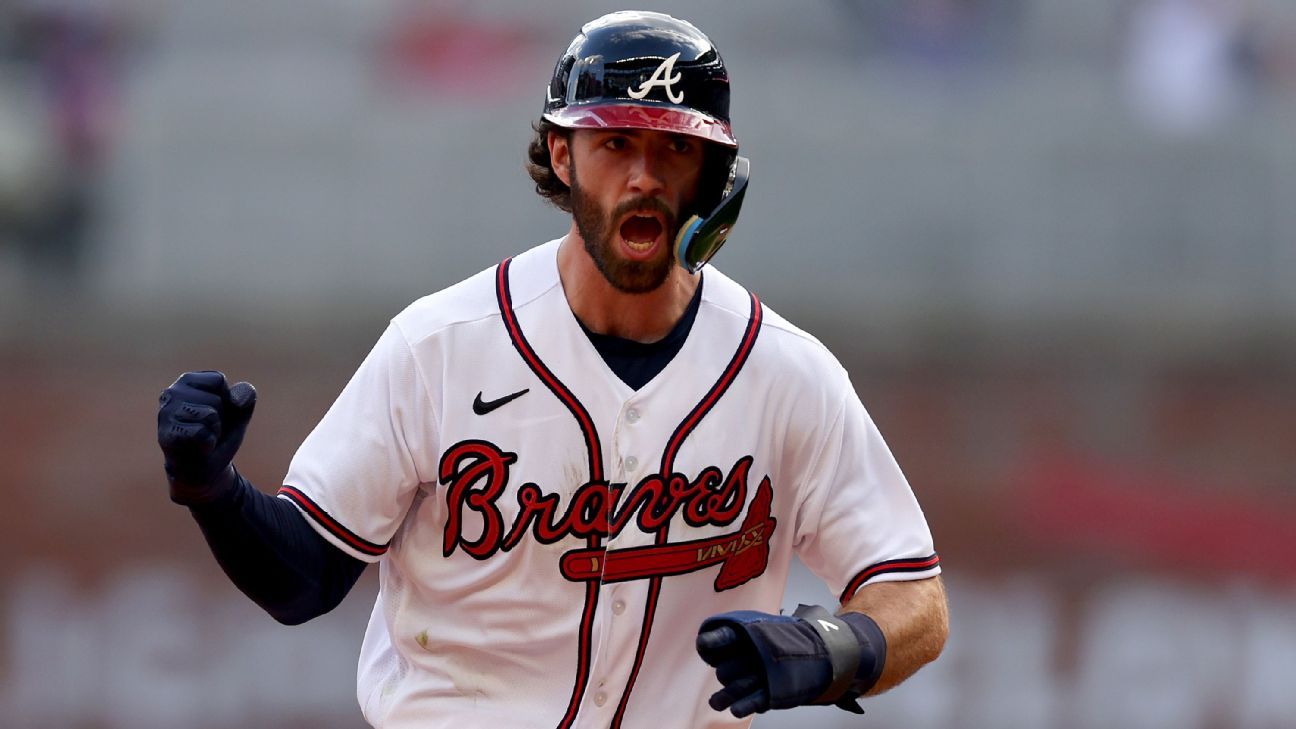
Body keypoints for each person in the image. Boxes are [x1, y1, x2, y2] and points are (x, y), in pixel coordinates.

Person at [156, 11, 947, 728]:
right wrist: (212, 490)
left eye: (675, 147)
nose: (644, 175)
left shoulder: (785, 372)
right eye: (616, 143)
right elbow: (303, 581)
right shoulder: (441, 345)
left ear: (716, 176)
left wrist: (832, 645)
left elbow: (916, 597)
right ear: (561, 156)